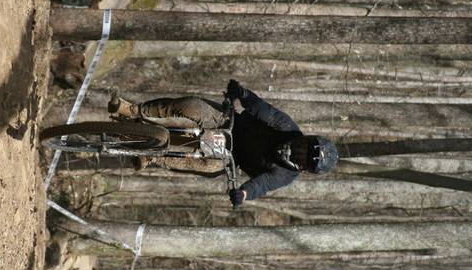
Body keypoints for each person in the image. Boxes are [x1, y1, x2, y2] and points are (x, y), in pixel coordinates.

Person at [108, 79, 339, 207]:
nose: (296, 152)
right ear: (304, 139)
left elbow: (260, 186)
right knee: (191, 106)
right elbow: (263, 110)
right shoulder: (287, 127)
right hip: (229, 122)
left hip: (230, 158)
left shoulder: (284, 176)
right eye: (302, 148)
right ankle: (136, 110)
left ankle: (154, 157)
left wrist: (244, 195)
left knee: (205, 166)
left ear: (302, 169)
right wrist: (243, 94)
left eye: (300, 158)